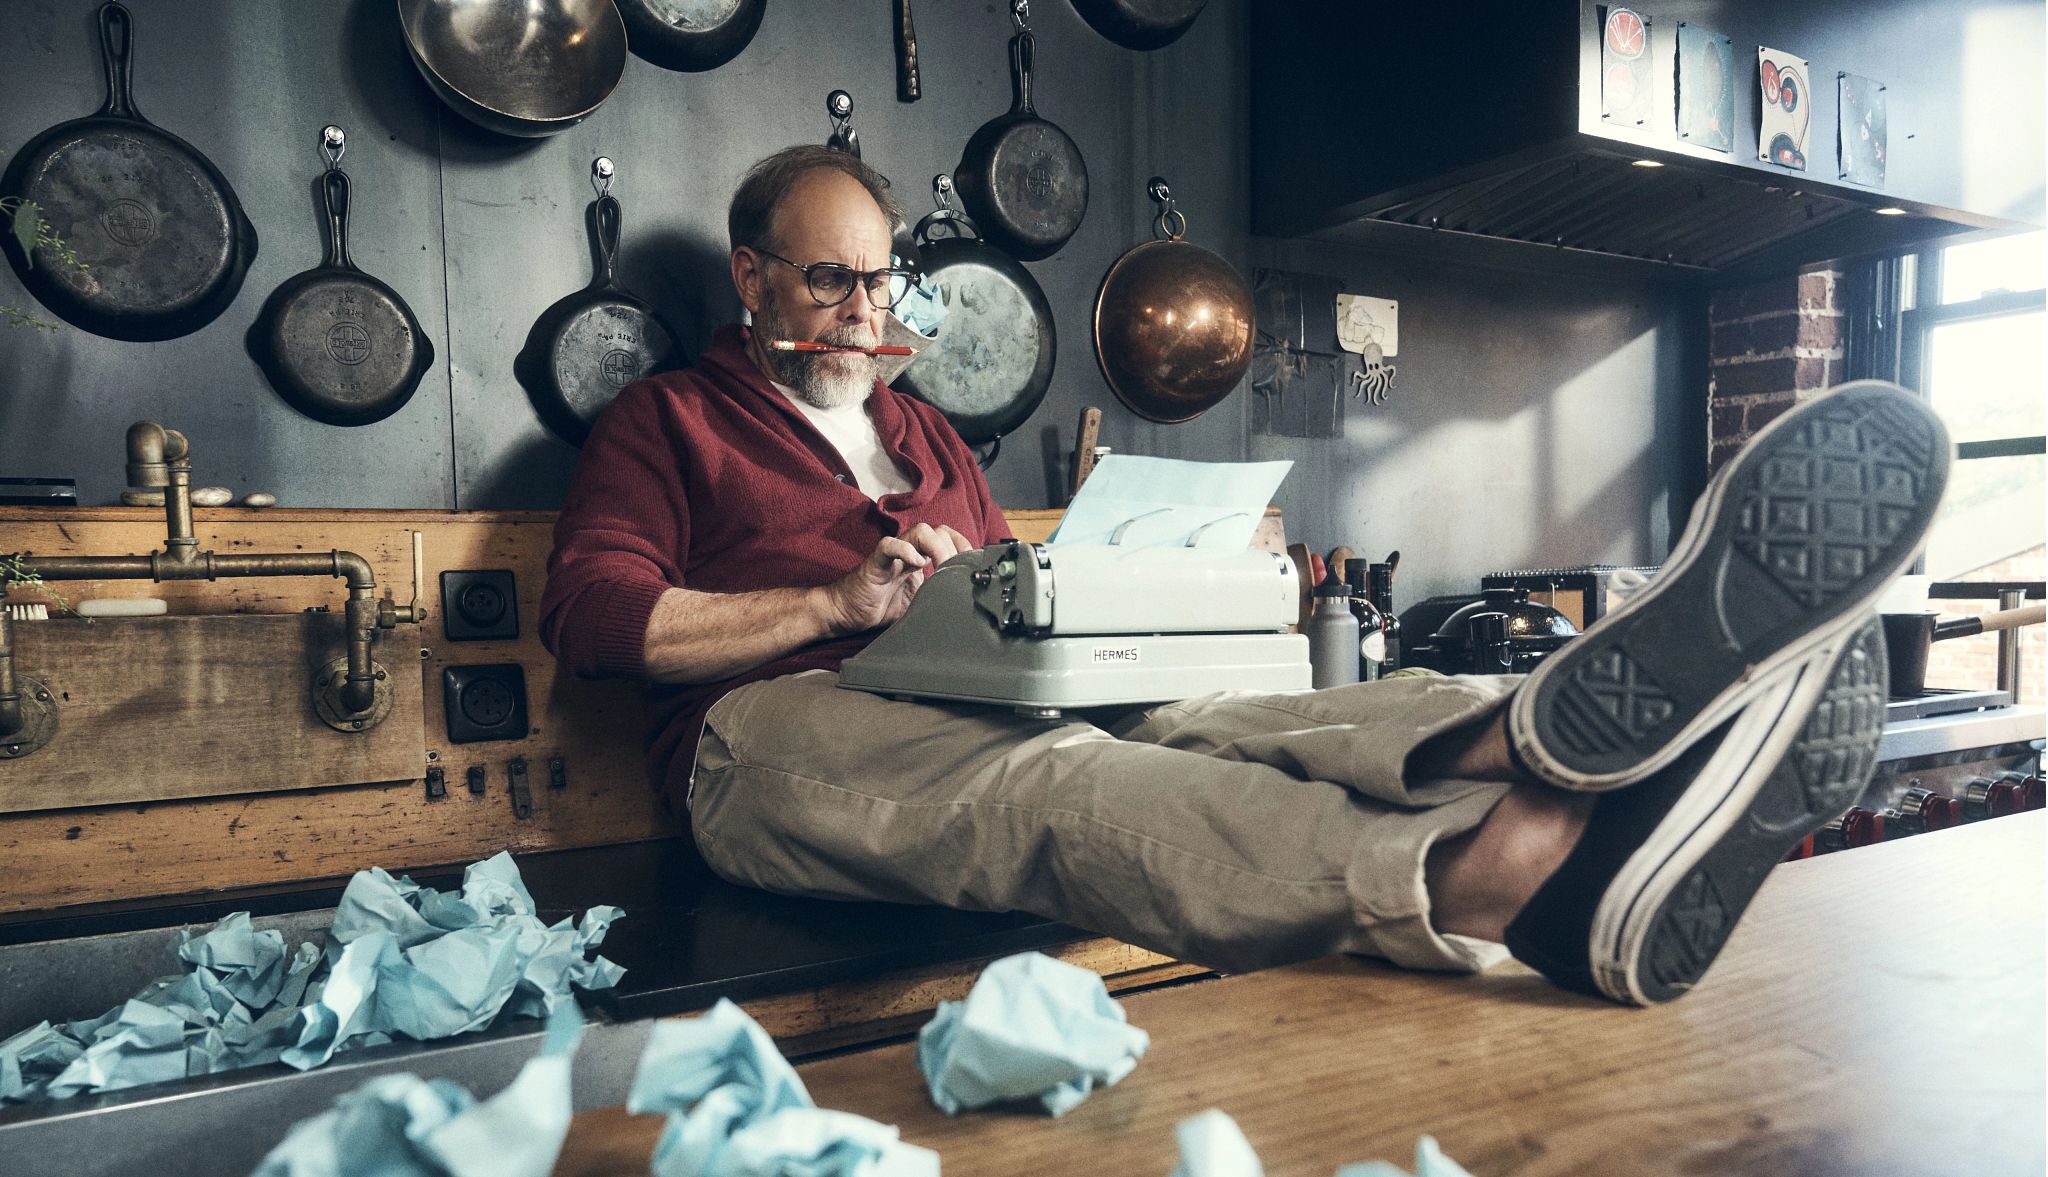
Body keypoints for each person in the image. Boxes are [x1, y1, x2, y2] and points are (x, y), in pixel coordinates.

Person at [540, 145, 1950, 1007]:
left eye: (878, 283)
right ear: (752, 279)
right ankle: (1485, 871)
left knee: (1233, 710)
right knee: (1053, 784)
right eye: (828, 283)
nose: (864, 313)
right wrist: (832, 603)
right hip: (761, 741)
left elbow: (1020, 596)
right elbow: (593, 619)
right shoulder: (671, 422)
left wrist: (1169, 572)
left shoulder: (925, 433)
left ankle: (1529, 734)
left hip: (968, 689)